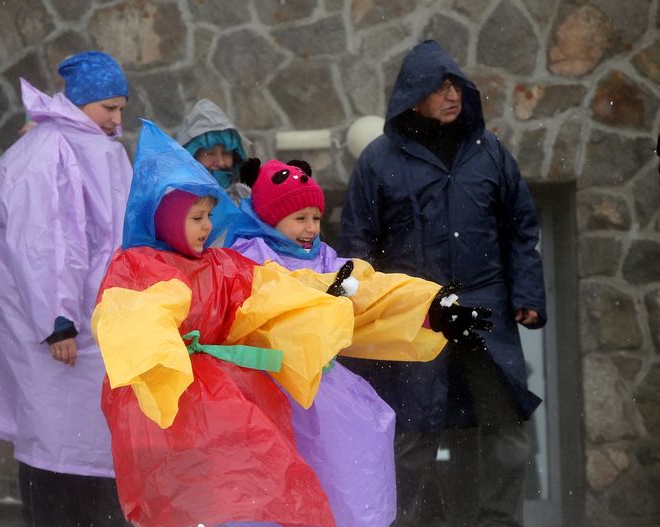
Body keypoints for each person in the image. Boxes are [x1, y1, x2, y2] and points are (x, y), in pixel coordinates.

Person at [91, 121, 479, 527]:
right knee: (211, 502)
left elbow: (295, 293)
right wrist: (169, 367)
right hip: (171, 410)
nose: (207, 226)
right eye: (196, 217)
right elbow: (132, 321)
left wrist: (425, 308)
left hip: (235, 404)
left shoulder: (225, 267)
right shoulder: (138, 267)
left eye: (209, 215)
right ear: (166, 219)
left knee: (258, 497)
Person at [337, 40, 547, 527]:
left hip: (484, 312)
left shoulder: (489, 152)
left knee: (505, 431)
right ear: (414, 96)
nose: (452, 95)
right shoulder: (379, 160)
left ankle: (497, 524)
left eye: (456, 85)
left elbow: (521, 227)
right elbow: (358, 245)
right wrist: (363, 312)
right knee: (413, 435)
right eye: (440, 87)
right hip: (415, 317)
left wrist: (527, 294)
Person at [224, 157, 492, 527]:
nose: (311, 227)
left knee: (342, 478)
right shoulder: (246, 256)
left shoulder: (324, 260)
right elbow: (270, 296)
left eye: (316, 218)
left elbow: (370, 293)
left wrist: (430, 309)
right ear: (270, 217)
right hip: (263, 392)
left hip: (321, 392)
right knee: (270, 489)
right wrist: (322, 294)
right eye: (299, 218)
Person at [0, 51, 131, 526]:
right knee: (59, 443)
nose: (117, 119)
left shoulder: (92, 147)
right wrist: (57, 320)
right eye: (109, 107)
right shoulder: (52, 151)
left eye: (121, 108)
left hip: (89, 321)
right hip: (61, 326)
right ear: (82, 102)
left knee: (78, 440)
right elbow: (45, 243)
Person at [174, 98, 251, 203]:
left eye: (226, 153)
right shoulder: (176, 201)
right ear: (192, 156)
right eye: (210, 153)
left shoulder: (246, 199)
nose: (221, 162)